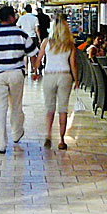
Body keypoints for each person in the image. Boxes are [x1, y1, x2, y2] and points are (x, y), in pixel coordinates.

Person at [0, 5, 39, 154]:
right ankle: (17, 133)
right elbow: (32, 54)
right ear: (11, 17)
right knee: (16, 106)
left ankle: (1, 145)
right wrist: (35, 70)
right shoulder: (21, 34)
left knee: (0, 110)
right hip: (16, 73)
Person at [35, 14, 78, 150]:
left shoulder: (46, 42)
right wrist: (76, 79)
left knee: (50, 108)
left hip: (49, 76)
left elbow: (39, 59)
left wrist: (34, 72)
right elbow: (73, 64)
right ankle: (61, 140)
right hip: (65, 76)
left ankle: (48, 135)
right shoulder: (70, 44)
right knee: (63, 109)